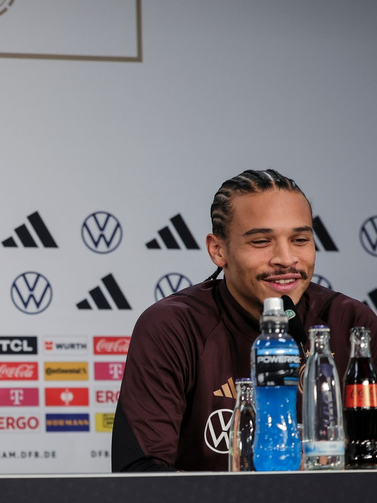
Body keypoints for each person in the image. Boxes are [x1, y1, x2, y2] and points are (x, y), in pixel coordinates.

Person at [112, 169, 377, 472]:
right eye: (262, 241)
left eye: (300, 239)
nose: (286, 258)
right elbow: (139, 473)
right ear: (218, 250)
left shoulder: (353, 324)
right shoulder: (172, 326)